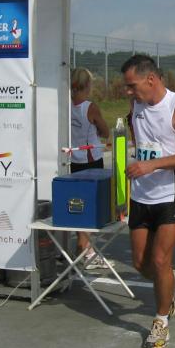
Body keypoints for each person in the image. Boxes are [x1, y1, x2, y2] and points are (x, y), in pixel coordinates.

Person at [122, 55, 175, 348]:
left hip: (171, 194)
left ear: (151, 79)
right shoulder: (135, 104)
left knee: (159, 260)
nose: (128, 91)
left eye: (132, 85)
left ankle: (160, 322)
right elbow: (139, 137)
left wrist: (153, 164)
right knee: (140, 263)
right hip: (140, 194)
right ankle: (169, 281)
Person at [70, 67, 110, 268]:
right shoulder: (90, 107)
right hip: (90, 160)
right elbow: (105, 131)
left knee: (77, 203)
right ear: (87, 85)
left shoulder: (65, 104)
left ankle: (82, 246)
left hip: (72, 159)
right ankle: (87, 251)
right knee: (91, 205)